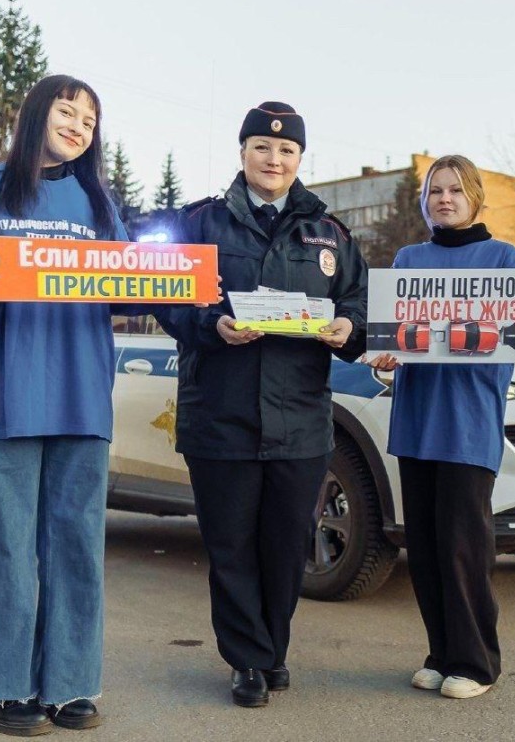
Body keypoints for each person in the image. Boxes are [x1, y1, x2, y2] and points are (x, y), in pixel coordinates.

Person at [153, 102, 367, 708]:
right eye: (262, 148)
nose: (274, 160)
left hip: (300, 419)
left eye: (287, 151)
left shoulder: (330, 233)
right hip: (220, 414)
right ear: (242, 152)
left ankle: (274, 650)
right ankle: (246, 660)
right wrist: (211, 324)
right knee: (230, 544)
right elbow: (168, 302)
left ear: (300, 159)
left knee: (284, 542)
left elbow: (359, 305)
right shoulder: (202, 223)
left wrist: (347, 330)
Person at [367, 155, 515, 699]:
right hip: (416, 421)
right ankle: (439, 653)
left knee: (463, 547)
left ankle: (476, 663)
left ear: (474, 197)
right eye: (435, 191)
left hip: (468, 421)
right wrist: (382, 354)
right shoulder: (408, 259)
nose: (444, 199)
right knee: (423, 547)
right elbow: (392, 334)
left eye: (454, 190)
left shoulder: (501, 257)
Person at [0, 75, 125, 735]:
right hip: (8, 393)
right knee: (4, 546)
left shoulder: (100, 204)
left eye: (89, 119)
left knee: (75, 543)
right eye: (66, 110)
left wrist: (188, 285)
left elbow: (133, 283)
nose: (78, 125)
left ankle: (68, 684)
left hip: (82, 395)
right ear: (36, 113)